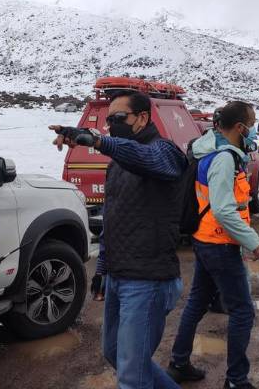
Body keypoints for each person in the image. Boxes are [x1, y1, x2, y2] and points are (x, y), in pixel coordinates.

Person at [50, 89, 186, 389]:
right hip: (118, 277)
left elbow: (145, 158)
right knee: (115, 353)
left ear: (142, 118)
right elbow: (113, 219)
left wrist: (98, 140)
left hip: (149, 279)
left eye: (119, 118)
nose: (112, 124)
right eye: (109, 120)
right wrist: (102, 270)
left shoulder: (166, 152)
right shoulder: (117, 164)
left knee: (131, 376)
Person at [165, 101, 259, 389]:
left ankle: (179, 362)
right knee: (243, 311)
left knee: (197, 301)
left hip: (208, 240)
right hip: (220, 244)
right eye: (252, 122)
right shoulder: (223, 159)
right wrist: (252, 241)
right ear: (239, 127)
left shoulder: (213, 152)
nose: (254, 128)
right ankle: (236, 380)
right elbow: (222, 208)